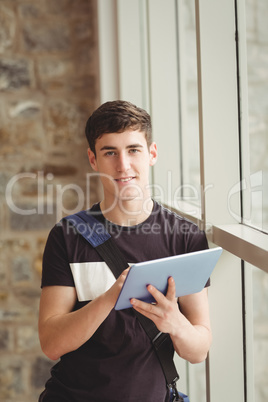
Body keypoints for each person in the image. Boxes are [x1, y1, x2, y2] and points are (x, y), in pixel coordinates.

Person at [38, 100, 212, 402]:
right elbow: (51, 344)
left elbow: (198, 350)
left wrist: (176, 324)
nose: (123, 165)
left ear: (152, 154)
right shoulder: (66, 236)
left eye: (133, 150)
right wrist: (108, 299)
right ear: (93, 160)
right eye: (109, 152)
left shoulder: (185, 238)